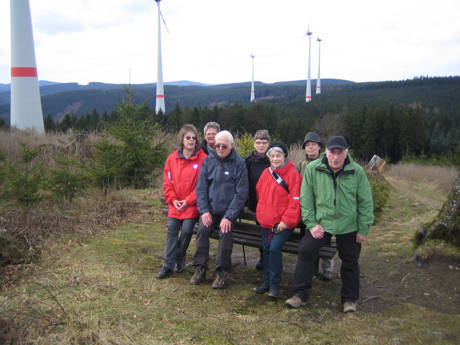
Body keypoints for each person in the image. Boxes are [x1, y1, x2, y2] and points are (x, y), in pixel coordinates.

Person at [285, 136, 374, 313]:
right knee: (306, 250)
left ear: (346, 153)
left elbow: (365, 201)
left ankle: (349, 299)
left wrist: (363, 228)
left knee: (350, 259)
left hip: (348, 224)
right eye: (332, 152)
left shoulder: (356, 171)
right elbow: (306, 199)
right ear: (325, 152)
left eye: (339, 152)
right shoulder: (312, 169)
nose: (335, 157)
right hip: (322, 222)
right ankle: (300, 294)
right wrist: (312, 224)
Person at [190, 130, 249, 289]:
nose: (221, 148)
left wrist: (229, 216)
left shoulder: (239, 163)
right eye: (217, 145)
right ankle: (200, 268)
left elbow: (241, 193)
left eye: (224, 145)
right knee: (202, 230)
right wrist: (204, 211)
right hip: (210, 210)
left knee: (225, 233)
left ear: (232, 145)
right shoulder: (208, 161)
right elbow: (201, 189)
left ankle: (222, 271)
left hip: (228, 212)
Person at [157, 124, 207, 279]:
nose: (191, 140)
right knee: (172, 230)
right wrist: (173, 200)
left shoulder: (202, 159)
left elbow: (202, 185)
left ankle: (179, 256)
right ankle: (168, 266)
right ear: (182, 139)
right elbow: (168, 182)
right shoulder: (172, 158)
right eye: (188, 138)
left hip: (191, 205)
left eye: (193, 138)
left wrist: (187, 201)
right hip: (175, 203)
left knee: (186, 231)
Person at [253, 142, 301, 300]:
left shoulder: (293, 175)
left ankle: (274, 286)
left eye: (278, 155)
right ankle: (266, 283)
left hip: (282, 224)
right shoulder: (266, 173)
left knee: (274, 250)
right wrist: (261, 215)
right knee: (266, 251)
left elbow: (295, 201)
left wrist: (285, 222)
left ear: (284, 156)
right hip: (266, 223)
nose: (275, 159)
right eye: (272, 156)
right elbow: (259, 193)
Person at [297, 131, 336, 281]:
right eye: (307, 145)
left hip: (323, 209)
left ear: (320, 147)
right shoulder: (302, 165)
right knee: (307, 239)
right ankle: (310, 269)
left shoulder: (327, 163)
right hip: (306, 208)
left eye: (313, 145)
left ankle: (327, 267)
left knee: (325, 239)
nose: (310, 148)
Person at [244, 129, 271, 270]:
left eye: (264, 142)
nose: (261, 145)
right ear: (254, 143)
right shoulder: (248, 161)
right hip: (254, 203)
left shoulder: (274, 159)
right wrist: (246, 202)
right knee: (259, 231)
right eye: (258, 142)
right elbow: (244, 183)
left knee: (267, 232)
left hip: (270, 204)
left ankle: (267, 257)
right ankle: (263, 256)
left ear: (269, 143)